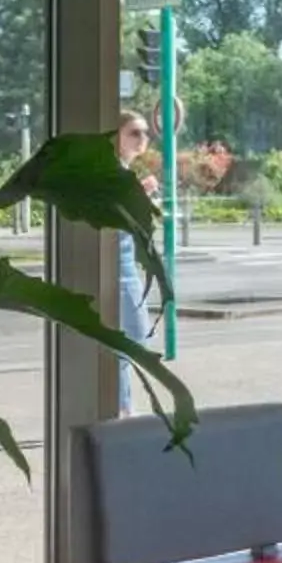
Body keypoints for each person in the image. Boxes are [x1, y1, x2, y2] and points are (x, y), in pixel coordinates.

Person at [112, 109, 159, 416]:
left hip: (126, 263)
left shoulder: (123, 171)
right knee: (132, 337)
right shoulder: (115, 172)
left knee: (127, 340)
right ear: (116, 136)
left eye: (144, 133)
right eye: (134, 133)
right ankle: (121, 406)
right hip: (118, 266)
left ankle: (121, 404)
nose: (143, 138)